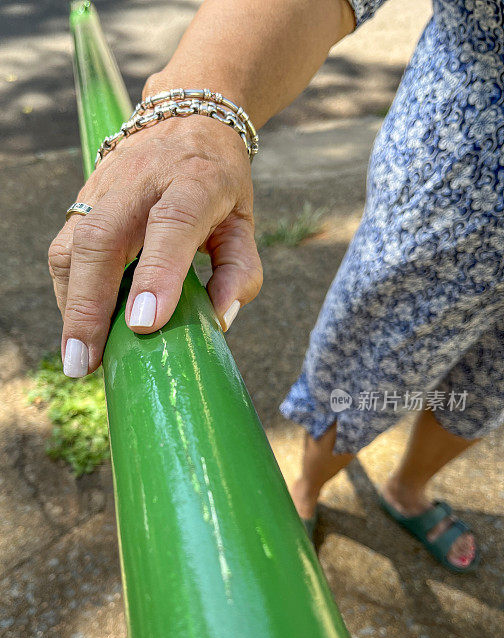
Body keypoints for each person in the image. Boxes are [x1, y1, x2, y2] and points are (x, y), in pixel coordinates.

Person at [49, 0, 504, 573]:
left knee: (487, 387)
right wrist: (198, 113)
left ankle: (407, 489)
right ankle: (308, 487)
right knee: (372, 364)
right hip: (461, 192)